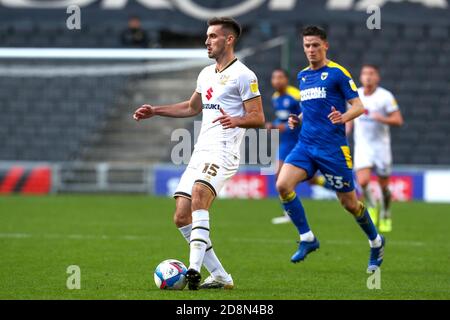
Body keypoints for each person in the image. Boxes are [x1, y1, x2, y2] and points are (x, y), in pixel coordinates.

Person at [133, 17, 265, 290]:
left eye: (213, 36)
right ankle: (220, 276)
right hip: (200, 151)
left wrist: (237, 120)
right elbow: (192, 107)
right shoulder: (205, 73)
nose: (207, 41)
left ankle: (193, 268)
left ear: (229, 40)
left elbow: (258, 117)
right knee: (181, 216)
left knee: (200, 195)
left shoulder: (244, 75)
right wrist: (155, 110)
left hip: (224, 152)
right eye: (207, 36)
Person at [277, 25, 385, 272]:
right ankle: (307, 239)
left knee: (349, 204)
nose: (311, 50)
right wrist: (298, 119)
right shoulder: (303, 76)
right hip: (305, 145)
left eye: (316, 45)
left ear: (325, 46)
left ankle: (376, 242)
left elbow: (359, 106)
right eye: (307, 46)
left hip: (332, 149)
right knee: (283, 185)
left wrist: (343, 117)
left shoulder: (337, 73)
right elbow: (311, 107)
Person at [267, 69, 332, 225]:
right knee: (279, 176)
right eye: (274, 77)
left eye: (280, 77)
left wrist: (284, 127)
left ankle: (336, 186)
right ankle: (288, 213)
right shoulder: (275, 98)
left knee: (308, 180)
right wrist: (274, 125)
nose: (276, 80)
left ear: (286, 80)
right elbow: (281, 118)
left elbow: (308, 116)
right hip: (286, 142)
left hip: (300, 141)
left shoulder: (296, 95)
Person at [348, 64, 404, 232]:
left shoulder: (385, 96)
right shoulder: (355, 95)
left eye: (371, 74)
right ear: (361, 77)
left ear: (377, 77)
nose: (368, 77)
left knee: (384, 187)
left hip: (381, 147)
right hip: (363, 147)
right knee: (363, 182)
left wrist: (382, 118)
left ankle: (386, 213)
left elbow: (398, 120)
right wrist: (346, 128)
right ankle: (372, 205)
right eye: (365, 73)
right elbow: (350, 117)